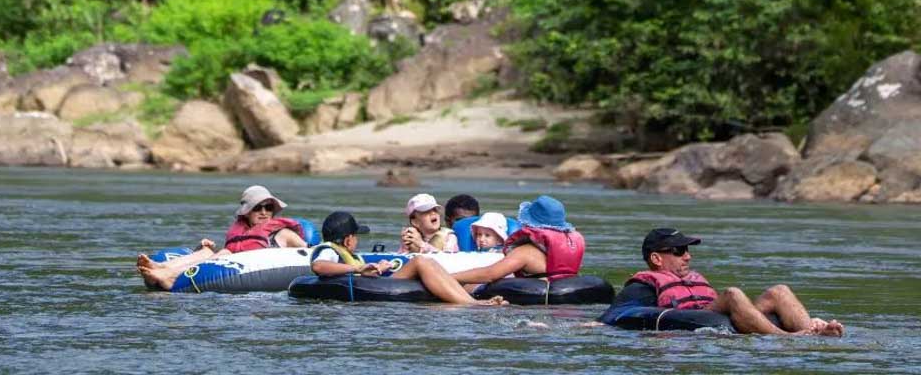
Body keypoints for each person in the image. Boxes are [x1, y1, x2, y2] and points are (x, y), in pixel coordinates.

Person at [602, 227, 845, 336]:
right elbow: (616, 314)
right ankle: (789, 339)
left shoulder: (691, 278)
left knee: (779, 290)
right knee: (732, 293)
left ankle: (813, 332)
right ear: (656, 258)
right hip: (695, 316)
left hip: (712, 314)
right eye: (678, 251)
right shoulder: (642, 287)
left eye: (686, 249)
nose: (687, 255)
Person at [311, 210, 506, 307]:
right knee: (421, 261)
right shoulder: (328, 249)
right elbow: (319, 266)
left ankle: (470, 299)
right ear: (347, 240)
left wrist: (379, 267)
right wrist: (356, 269)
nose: (356, 241)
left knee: (427, 263)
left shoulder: (350, 255)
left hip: (376, 282)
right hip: (369, 288)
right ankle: (471, 305)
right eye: (356, 236)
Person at [137, 184, 305, 290]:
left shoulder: (283, 234)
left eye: (268, 208)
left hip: (254, 267)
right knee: (207, 251)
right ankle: (162, 267)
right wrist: (204, 247)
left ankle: (171, 276)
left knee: (224, 253)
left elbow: (309, 252)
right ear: (246, 212)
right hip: (231, 261)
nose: (263, 212)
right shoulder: (242, 231)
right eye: (257, 208)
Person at [450, 194, 585, 287]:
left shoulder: (526, 252)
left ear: (530, 224)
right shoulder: (568, 244)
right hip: (566, 289)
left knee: (469, 286)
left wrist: (450, 277)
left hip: (540, 297)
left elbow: (490, 275)